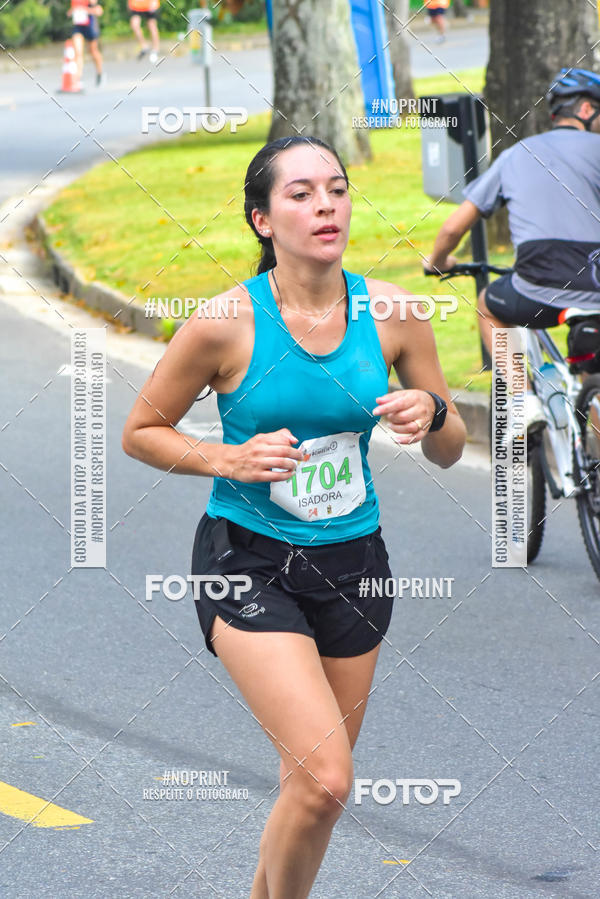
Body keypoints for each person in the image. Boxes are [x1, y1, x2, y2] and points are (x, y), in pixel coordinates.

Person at [122, 135, 465, 898]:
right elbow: (141, 431)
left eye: (337, 190)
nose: (326, 206)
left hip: (355, 565)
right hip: (246, 557)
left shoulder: (397, 314)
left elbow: (450, 448)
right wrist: (227, 458)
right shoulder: (223, 323)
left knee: (309, 790)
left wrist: (433, 409)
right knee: (328, 777)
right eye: (302, 193)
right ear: (262, 219)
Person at [426, 68, 600, 424]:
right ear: (585, 109)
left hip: (537, 288)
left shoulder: (519, 153)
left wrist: (438, 261)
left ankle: (523, 400)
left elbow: (452, 227)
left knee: (488, 307)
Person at [69, 0, 105, 86]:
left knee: (93, 51)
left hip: (89, 26)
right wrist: (71, 11)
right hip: (78, 26)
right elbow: (74, 9)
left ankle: (100, 73)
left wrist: (84, 10)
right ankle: (78, 78)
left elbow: (99, 11)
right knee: (78, 52)